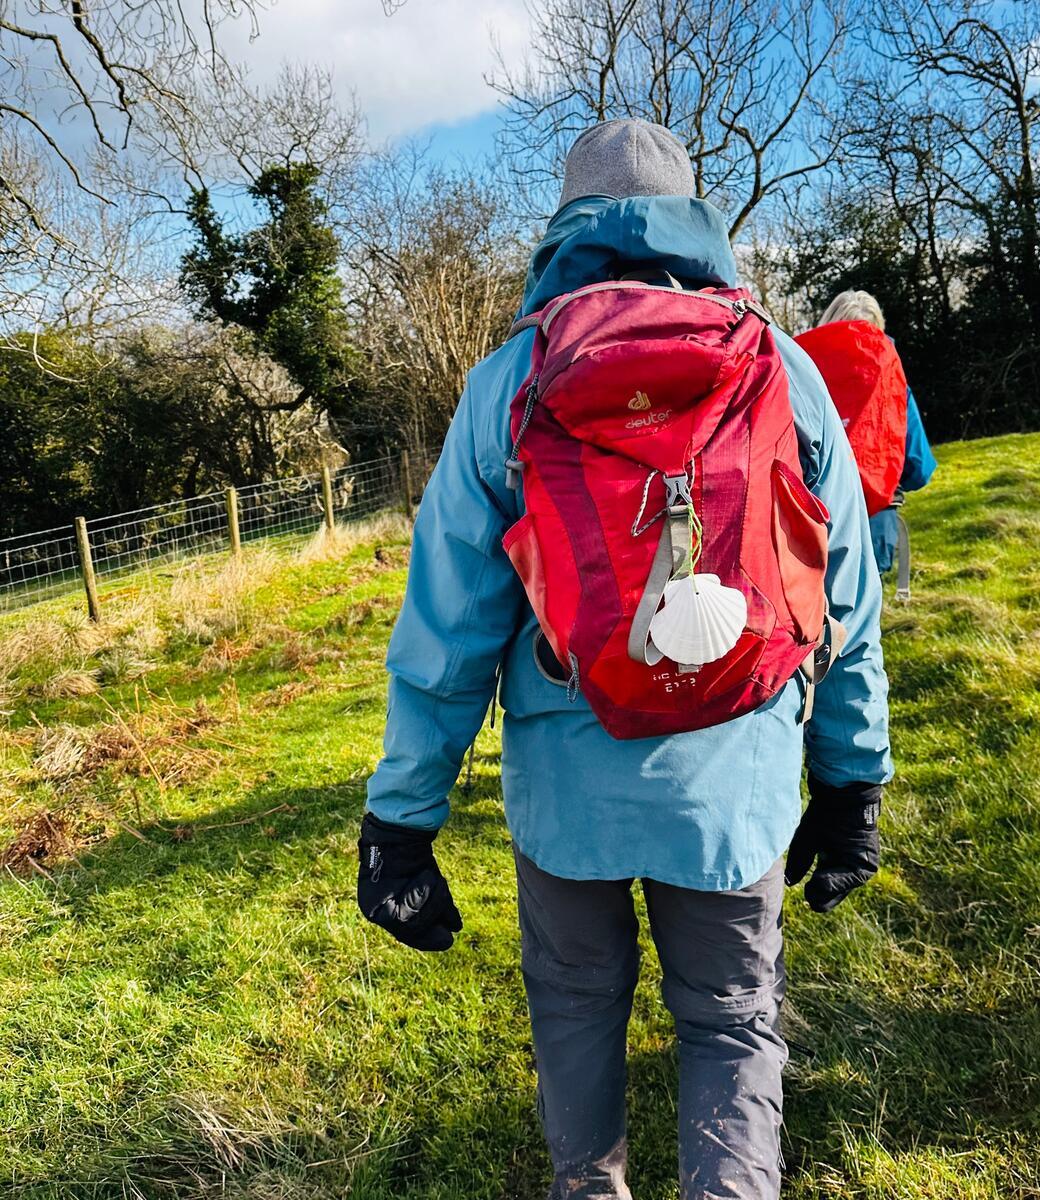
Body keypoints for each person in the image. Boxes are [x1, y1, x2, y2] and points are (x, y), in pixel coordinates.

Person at [357, 120, 892, 1200]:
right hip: (732, 782)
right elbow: (847, 603)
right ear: (696, 221)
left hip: (566, 796)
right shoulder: (783, 368)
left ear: (566, 227)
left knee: (574, 1004)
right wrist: (852, 787)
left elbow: (448, 626)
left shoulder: (509, 383)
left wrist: (401, 823)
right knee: (733, 1025)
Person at [814, 290, 937, 579]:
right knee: (863, 618)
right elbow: (918, 468)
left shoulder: (799, 370)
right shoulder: (891, 381)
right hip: (873, 526)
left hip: (805, 524)